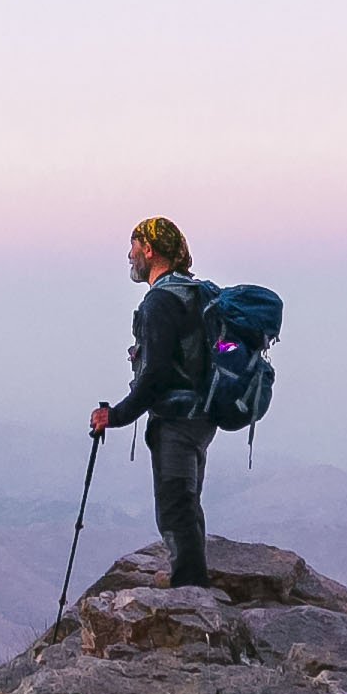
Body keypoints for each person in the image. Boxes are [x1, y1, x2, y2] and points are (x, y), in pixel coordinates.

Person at [90, 217, 217, 589]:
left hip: (176, 419)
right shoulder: (193, 293)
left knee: (175, 506)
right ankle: (192, 580)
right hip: (202, 415)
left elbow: (156, 373)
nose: (129, 256)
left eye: (133, 247)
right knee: (188, 503)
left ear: (149, 250)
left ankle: (189, 592)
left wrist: (116, 415)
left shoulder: (159, 302)